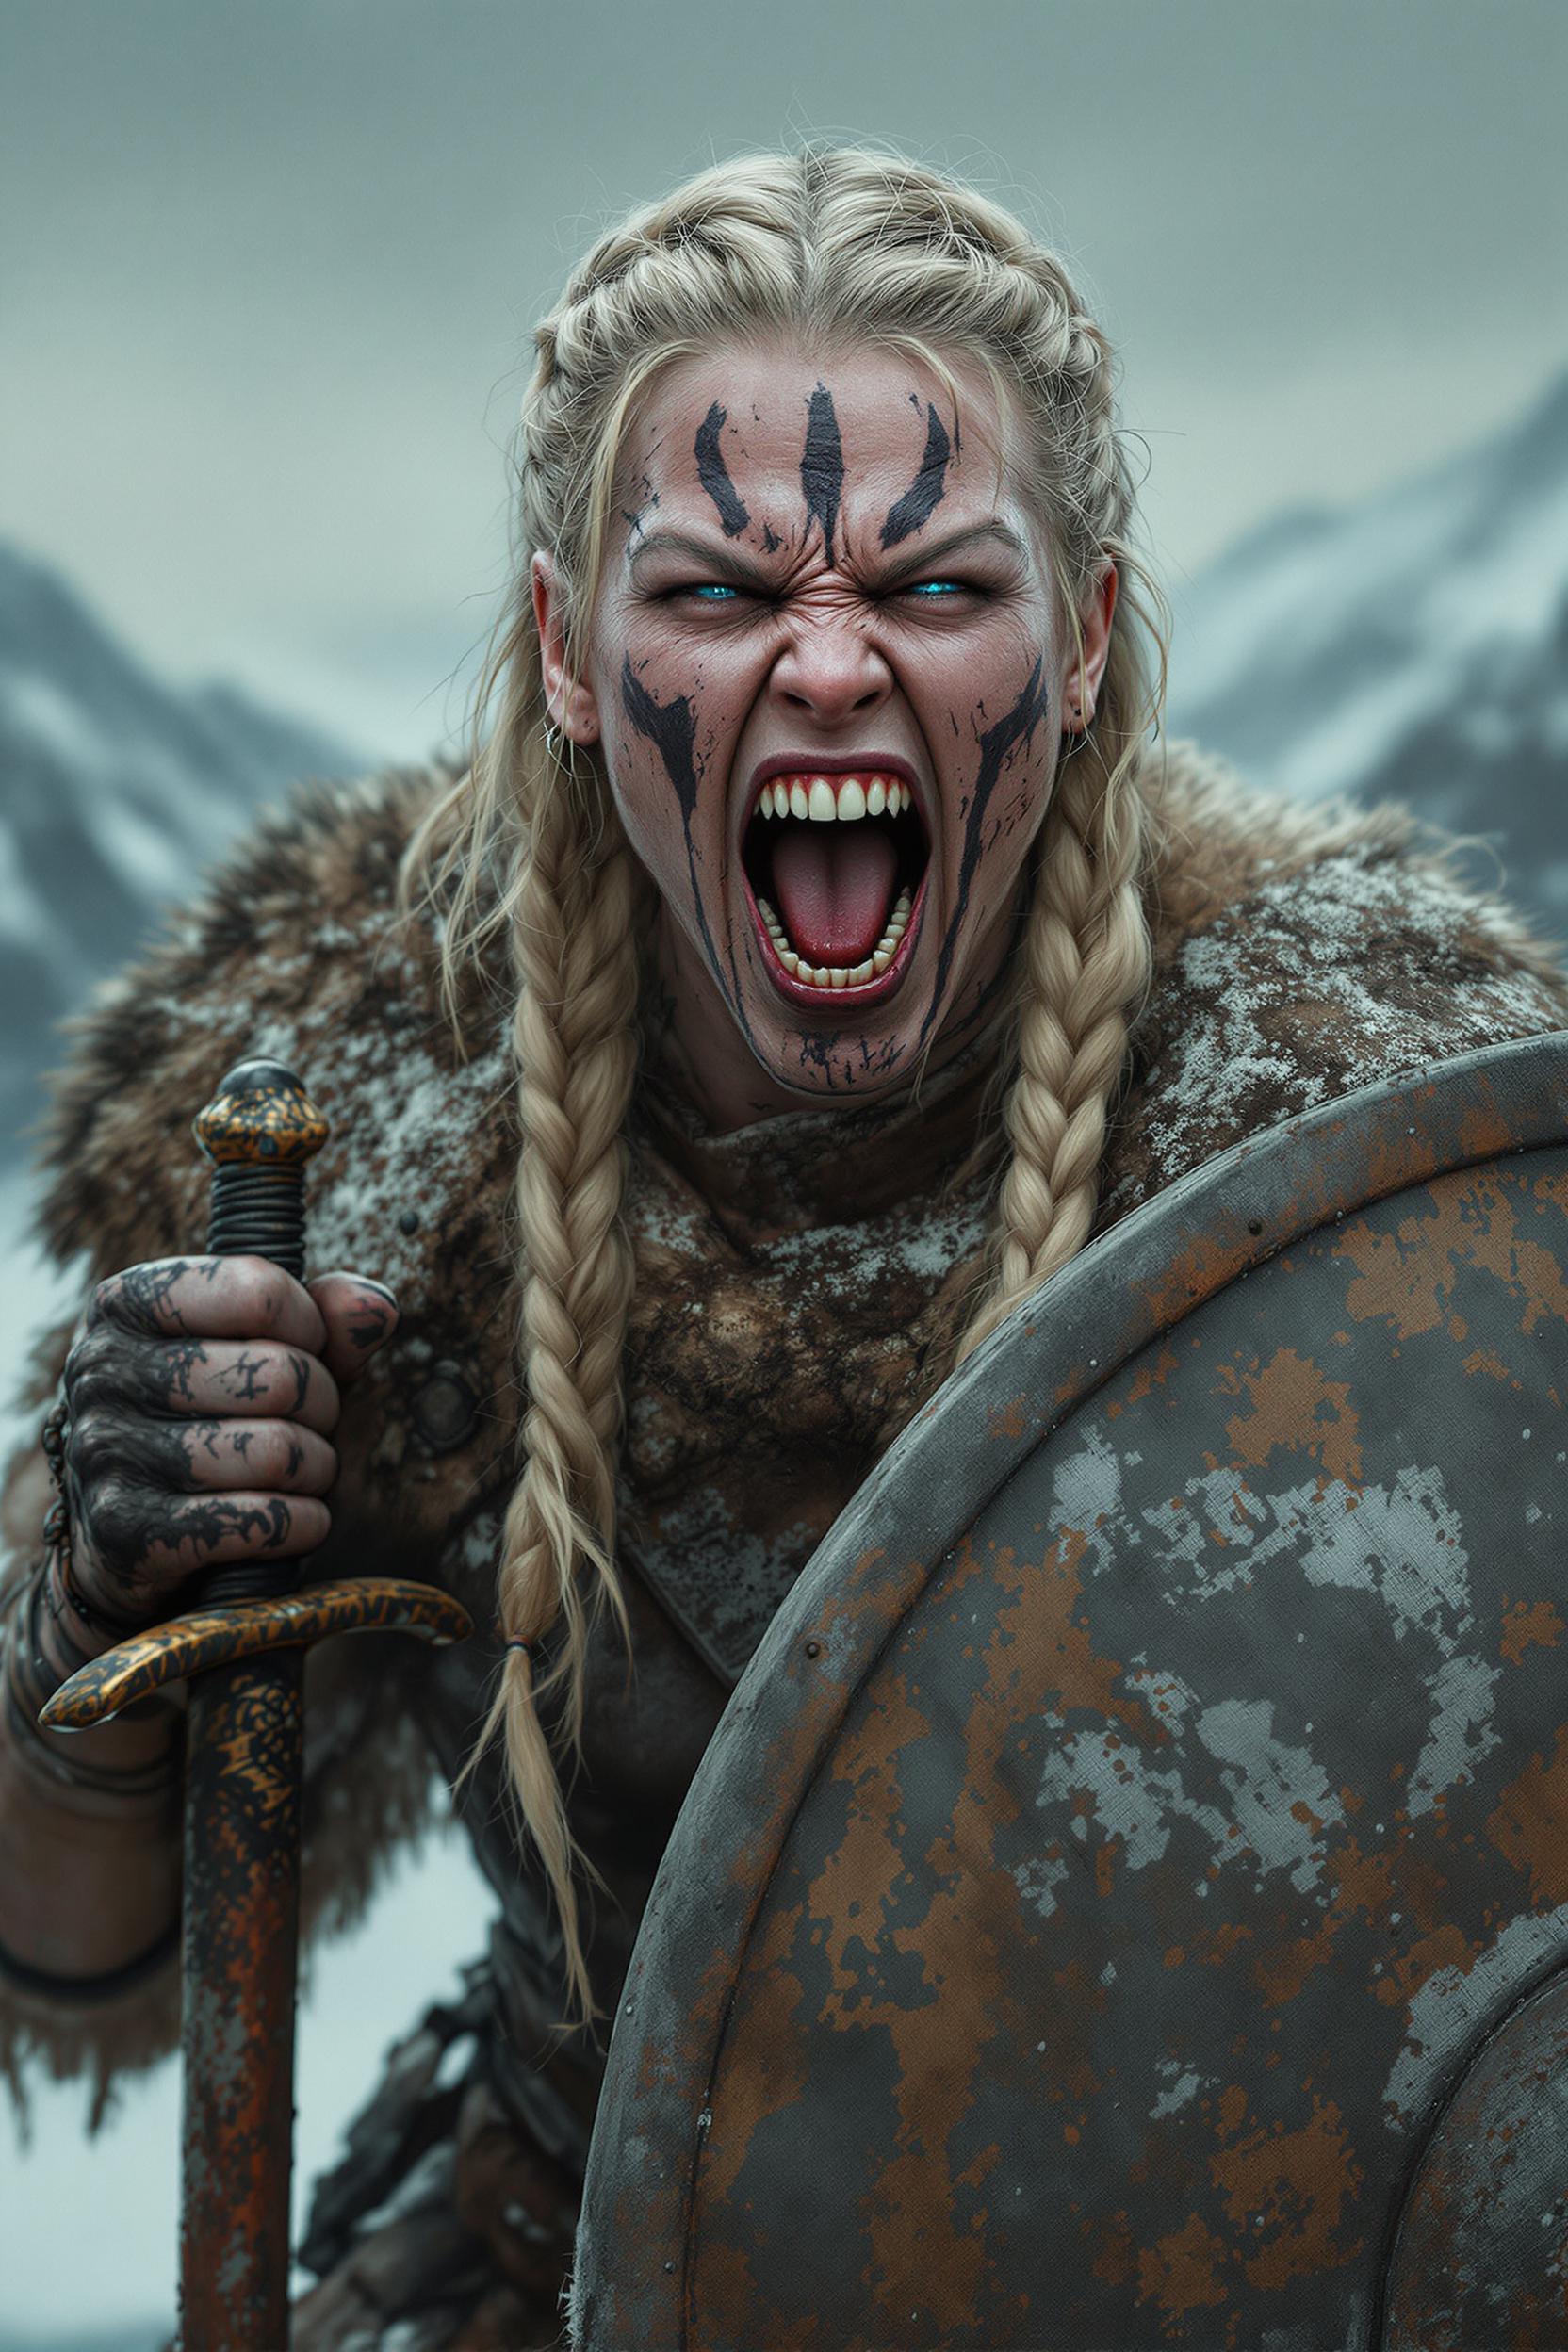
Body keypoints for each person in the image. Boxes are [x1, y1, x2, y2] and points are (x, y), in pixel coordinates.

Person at [1, 146, 1563, 2349]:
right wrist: (105, 1602)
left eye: (935, 591)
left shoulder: (1344, 1130)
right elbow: (81, 1966)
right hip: (577, 2277)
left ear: (1087, 636)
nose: (827, 664)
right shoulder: (373, 1134)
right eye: (717, 600)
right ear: (566, 647)